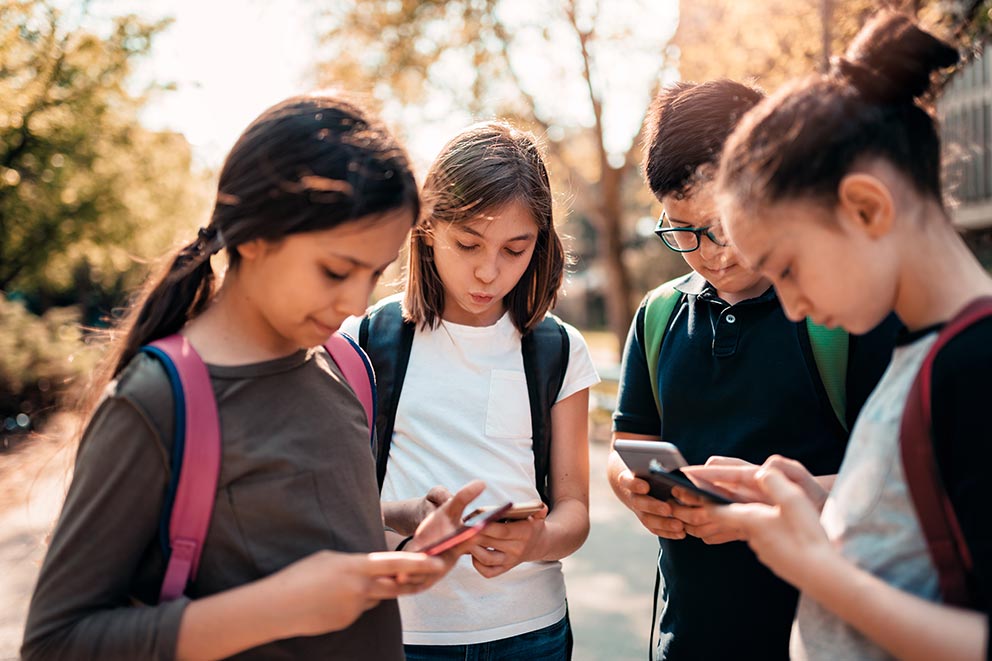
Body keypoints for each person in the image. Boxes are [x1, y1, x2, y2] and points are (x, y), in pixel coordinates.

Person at [21, 94, 486, 661]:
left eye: (375, 273)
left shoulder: (341, 363)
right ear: (253, 236)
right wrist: (280, 606)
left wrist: (399, 532)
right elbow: (55, 642)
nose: (356, 300)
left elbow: (283, 522)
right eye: (336, 270)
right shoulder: (157, 401)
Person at [688, 10, 991, 660]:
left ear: (866, 207)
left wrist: (816, 569)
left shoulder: (975, 363)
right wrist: (822, 499)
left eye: (788, 269)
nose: (792, 308)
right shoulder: (924, 351)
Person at [606, 80, 899, 659]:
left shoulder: (841, 312)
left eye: (723, 224)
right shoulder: (659, 315)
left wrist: (769, 505)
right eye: (683, 232)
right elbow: (629, 440)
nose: (713, 252)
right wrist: (636, 491)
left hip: (819, 640)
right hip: (686, 640)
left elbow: (898, 483)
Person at [344, 121, 599, 660]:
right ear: (428, 227)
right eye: (467, 243)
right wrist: (406, 516)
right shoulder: (365, 340)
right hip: (401, 633)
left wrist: (537, 541)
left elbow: (574, 510)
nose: (488, 271)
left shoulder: (558, 349)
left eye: (515, 248)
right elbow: (331, 500)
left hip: (531, 632)